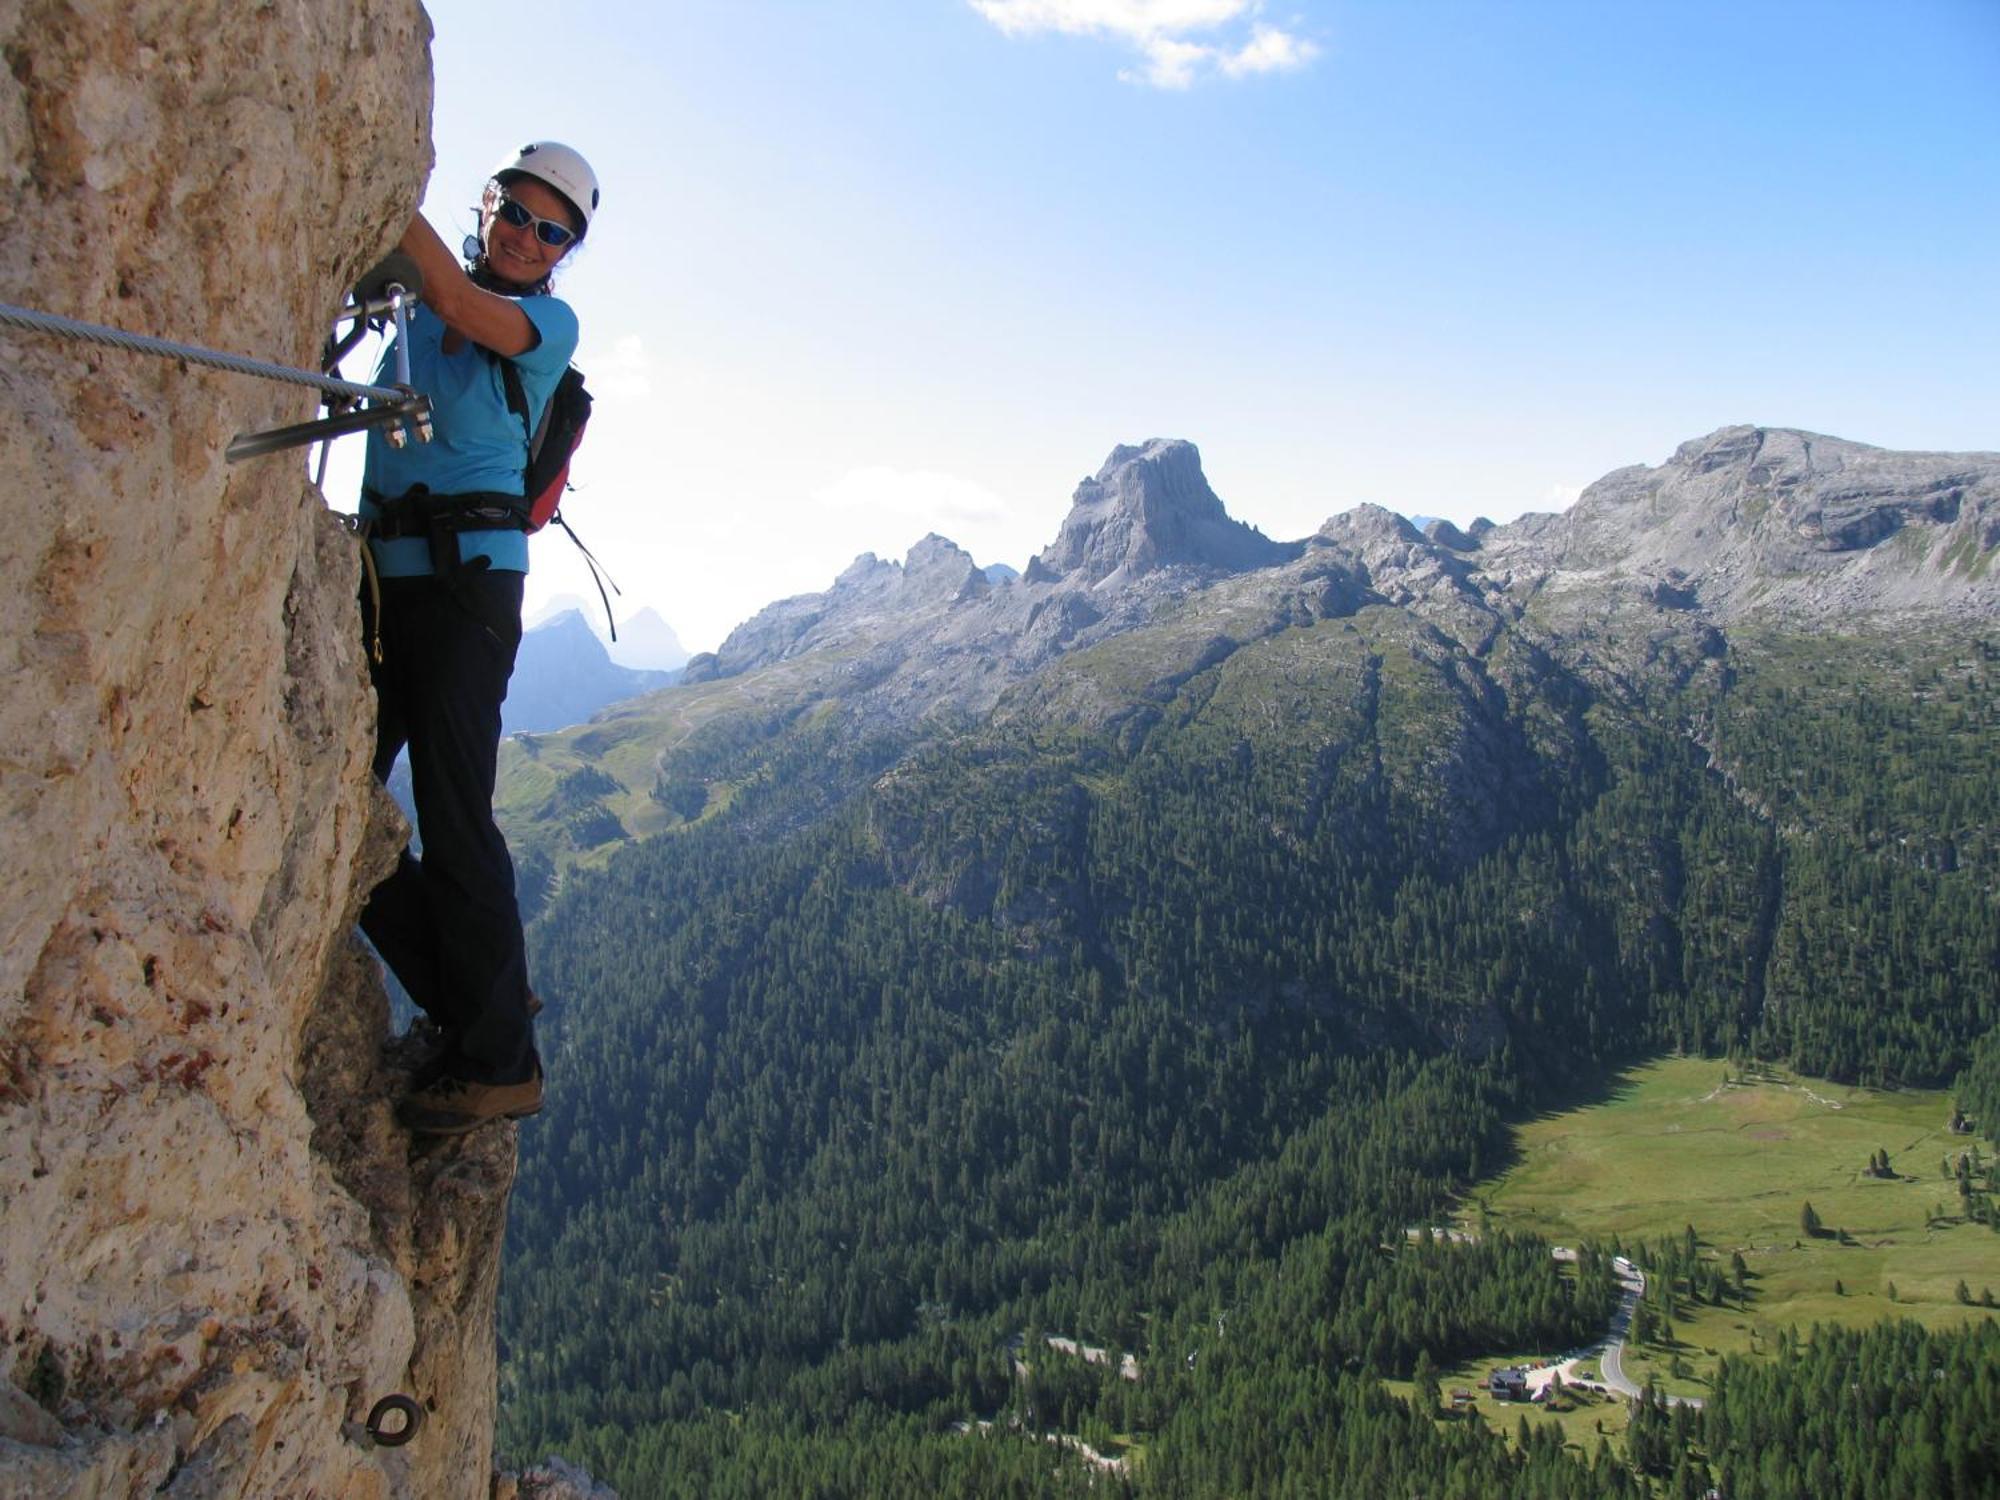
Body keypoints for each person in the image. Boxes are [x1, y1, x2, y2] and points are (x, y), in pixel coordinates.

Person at [356, 141, 599, 1135]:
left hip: (468, 592)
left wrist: (368, 177)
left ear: (563, 254)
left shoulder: (543, 323)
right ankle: (473, 995)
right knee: (333, 811)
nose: (527, 237)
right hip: (385, 585)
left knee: (456, 814)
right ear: (490, 207)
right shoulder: (415, 316)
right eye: (515, 214)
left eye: (552, 231)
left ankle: (499, 1058)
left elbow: (458, 302)